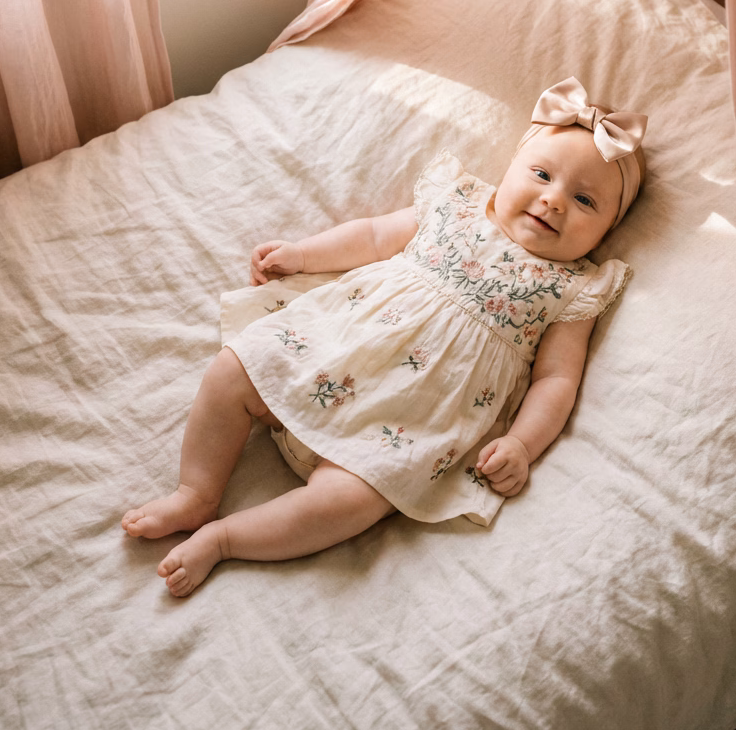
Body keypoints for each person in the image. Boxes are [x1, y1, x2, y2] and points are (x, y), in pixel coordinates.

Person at [122, 78, 648, 596]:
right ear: (510, 167)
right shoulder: (458, 204)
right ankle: (196, 492)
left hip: (405, 422)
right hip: (333, 349)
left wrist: (521, 444)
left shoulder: (574, 288)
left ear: (607, 230)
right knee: (234, 368)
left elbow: (556, 380)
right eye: (541, 174)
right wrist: (305, 254)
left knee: (352, 503)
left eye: (584, 201)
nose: (553, 201)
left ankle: (227, 539)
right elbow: (373, 237)